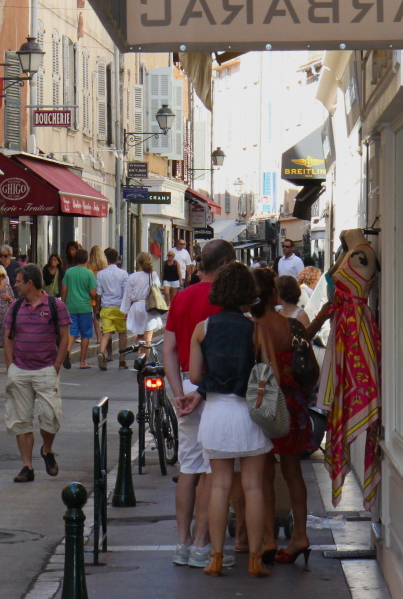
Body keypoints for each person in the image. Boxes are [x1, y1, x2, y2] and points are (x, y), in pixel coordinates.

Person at [188, 262, 274, 578]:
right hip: (247, 414)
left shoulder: (203, 328)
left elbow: (196, 375)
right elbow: (267, 374)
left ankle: (215, 558)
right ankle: (255, 559)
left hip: (215, 414)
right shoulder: (255, 329)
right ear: (246, 294)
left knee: (219, 486)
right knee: (252, 487)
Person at [164, 239, 236, 569]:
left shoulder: (180, 297)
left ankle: (181, 543)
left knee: (189, 468)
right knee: (213, 470)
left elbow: (169, 349)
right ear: (223, 265)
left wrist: (178, 391)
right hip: (214, 389)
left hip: (183, 383)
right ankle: (201, 544)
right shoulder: (224, 301)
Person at [258, 274, 317, 567]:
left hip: (263, 405)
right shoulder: (290, 325)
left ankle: (268, 537)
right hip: (292, 404)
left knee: (264, 474)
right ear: (273, 294)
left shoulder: (252, 329)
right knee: (294, 472)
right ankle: (300, 535)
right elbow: (309, 367)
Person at [3, 263, 70, 483]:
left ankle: (47, 450)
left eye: (18, 281)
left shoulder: (54, 304)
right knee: (21, 421)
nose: (15, 285)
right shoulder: (15, 307)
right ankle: (27, 466)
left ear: (30, 283)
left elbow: (64, 336)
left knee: (50, 417)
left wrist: (57, 366)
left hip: (45, 370)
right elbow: (8, 337)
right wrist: (11, 367)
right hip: (20, 371)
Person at [62, 247, 100, 369]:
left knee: (72, 332)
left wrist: (63, 302)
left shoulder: (69, 272)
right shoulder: (89, 273)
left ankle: (67, 351)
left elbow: (64, 290)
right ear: (86, 259)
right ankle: (82, 362)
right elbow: (93, 292)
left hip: (71, 306)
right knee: (85, 334)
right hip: (85, 307)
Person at [95, 248, 130, 370]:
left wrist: (97, 308)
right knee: (122, 333)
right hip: (119, 307)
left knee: (106, 333)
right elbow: (126, 292)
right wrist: (127, 308)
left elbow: (98, 293)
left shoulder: (101, 274)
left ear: (106, 259)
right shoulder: (123, 274)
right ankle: (122, 359)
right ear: (117, 258)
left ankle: (101, 352)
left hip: (106, 307)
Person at [120, 252, 160, 343]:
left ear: (138, 262)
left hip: (137, 306)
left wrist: (126, 311)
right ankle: (145, 356)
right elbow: (157, 287)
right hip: (150, 305)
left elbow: (128, 295)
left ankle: (139, 356)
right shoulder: (153, 275)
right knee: (148, 338)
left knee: (139, 336)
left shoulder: (133, 277)